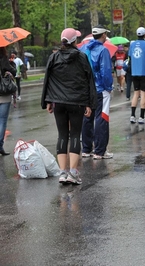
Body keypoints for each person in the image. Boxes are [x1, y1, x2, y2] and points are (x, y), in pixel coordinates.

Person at [41, 28, 97, 184]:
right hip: (77, 102)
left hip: (58, 102)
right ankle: (73, 173)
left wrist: (48, 101)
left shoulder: (53, 58)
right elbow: (89, 81)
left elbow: (48, 80)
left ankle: (62, 173)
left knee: (62, 135)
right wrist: (89, 103)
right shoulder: (82, 57)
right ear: (75, 42)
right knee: (75, 135)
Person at [81, 25, 114, 160]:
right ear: (104, 35)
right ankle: (100, 151)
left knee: (87, 118)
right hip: (101, 89)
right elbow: (106, 71)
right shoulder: (103, 50)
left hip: (86, 89)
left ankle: (86, 149)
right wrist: (109, 87)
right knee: (102, 118)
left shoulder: (84, 49)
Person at [129, 27, 145, 124]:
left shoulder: (132, 44)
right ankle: (142, 117)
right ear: (144, 35)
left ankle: (132, 115)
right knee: (143, 94)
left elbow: (130, 57)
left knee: (136, 93)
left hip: (134, 72)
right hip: (144, 72)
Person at [0, 47, 16, 156]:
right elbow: (13, 71)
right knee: (2, 120)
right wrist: (11, 65)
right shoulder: (3, 58)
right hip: (3, 93)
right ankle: (0, 145)